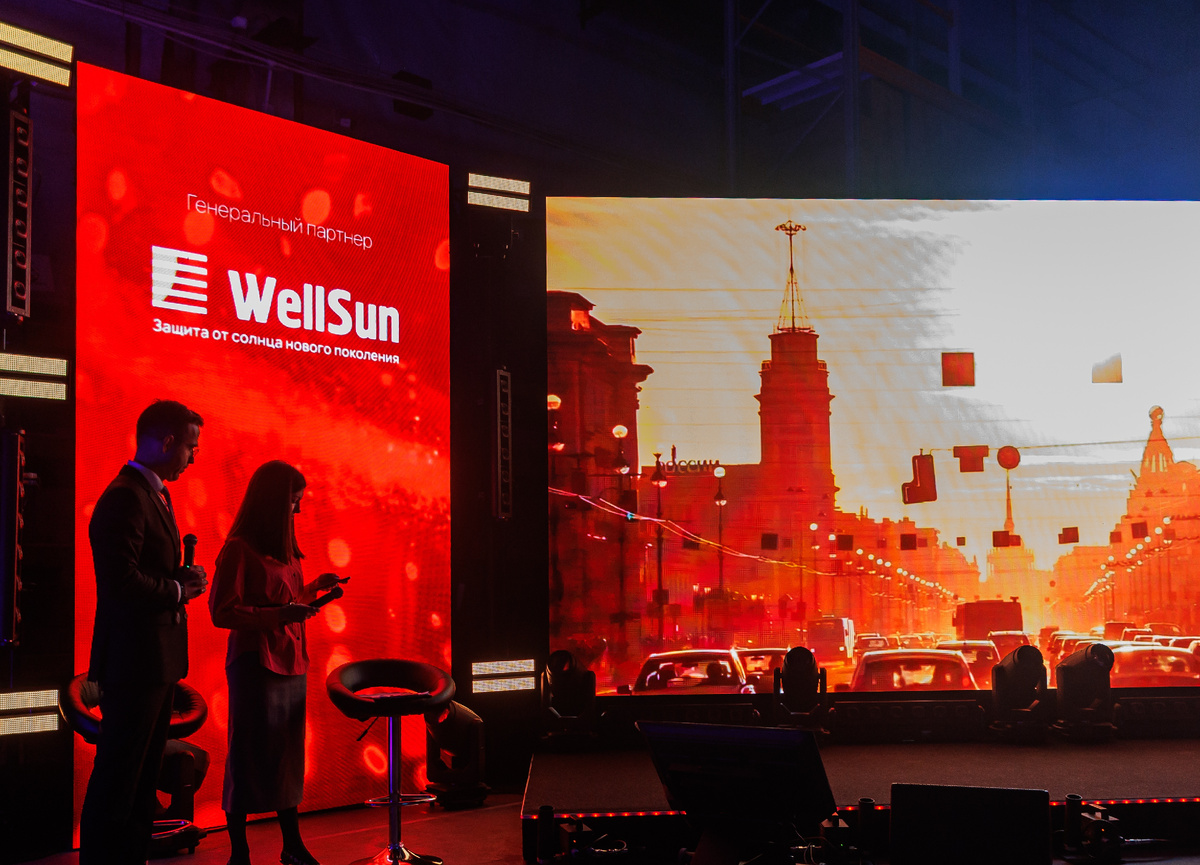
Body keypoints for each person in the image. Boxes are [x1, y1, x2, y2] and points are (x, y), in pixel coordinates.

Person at [80, 399, 207, 865]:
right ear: (167, 441)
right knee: (120, 780)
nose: (192, 458)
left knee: (139, 783)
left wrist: (179, 580)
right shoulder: (126, 496)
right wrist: (178, 589)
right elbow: (120, 583)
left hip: (153, 662)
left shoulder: (153, 493)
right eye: (190, 447)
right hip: (135, 662)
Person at [209, 460, 340, 865]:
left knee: (286, 758)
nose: (298, 509)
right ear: (273, 502)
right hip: (256, 665)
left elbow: (286, 600)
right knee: (247, 757)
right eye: (293, 501)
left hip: (290, 662)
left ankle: (292, 846)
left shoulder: (284, 550)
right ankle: (240, 853)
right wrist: (280, 615)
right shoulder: (238, 549)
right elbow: (221, 612)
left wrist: (314, 588)